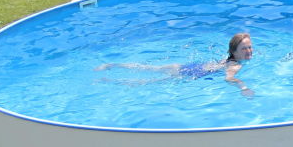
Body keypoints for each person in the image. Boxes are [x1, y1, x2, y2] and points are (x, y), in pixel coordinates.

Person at [95, 32, 255, 97]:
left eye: (249, 47)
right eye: (244, 48)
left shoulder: (229, 58)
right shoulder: (235, 65)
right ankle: (108, 81)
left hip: (187, 66)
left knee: (148, 68)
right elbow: (228, 78)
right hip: (188, 74)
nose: (249, 51)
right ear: (234, 51)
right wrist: (243, 87)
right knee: (147, 82)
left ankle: (111, 65)